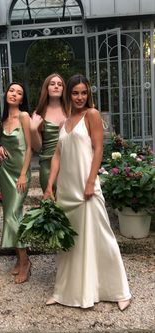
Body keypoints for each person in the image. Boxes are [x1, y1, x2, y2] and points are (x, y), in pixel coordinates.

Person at [43, 74, 131, 311]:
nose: (80, 97)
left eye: (83, 92)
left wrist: (91, 182)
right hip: (67, 190)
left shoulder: (92, 115)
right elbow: (57, 156)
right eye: (75, 93)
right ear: (68, 95)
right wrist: (50, 185)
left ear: (88, 94)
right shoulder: (65, 122)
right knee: (69, 242)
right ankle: (64, 291)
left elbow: (99, 148)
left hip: (86, 187)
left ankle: (119, 290)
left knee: (102, 236)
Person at [0, 82, 32, 284]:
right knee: (14, 215)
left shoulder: (24, 116)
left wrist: (23, 174)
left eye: (19, 93)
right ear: (6, 94)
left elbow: (29, 148)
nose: (14, 94)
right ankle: (20, 260)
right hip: (5, 172)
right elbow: (6, 143)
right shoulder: (4, 119)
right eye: (12, 90)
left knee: (11, 215)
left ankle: (25, 262)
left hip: (20, 173)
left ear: (22, 99)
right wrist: (1, 148)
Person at [30, 73, 66, 193]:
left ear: (63, 89)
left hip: (69, 163)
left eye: (59, 84)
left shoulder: (71, 111)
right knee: (51, 206)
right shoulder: (38, 113)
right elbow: (38, 147)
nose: (56, 86)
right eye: (52, 84)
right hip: (47, 165)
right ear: (47, 88)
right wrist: (33, 130)